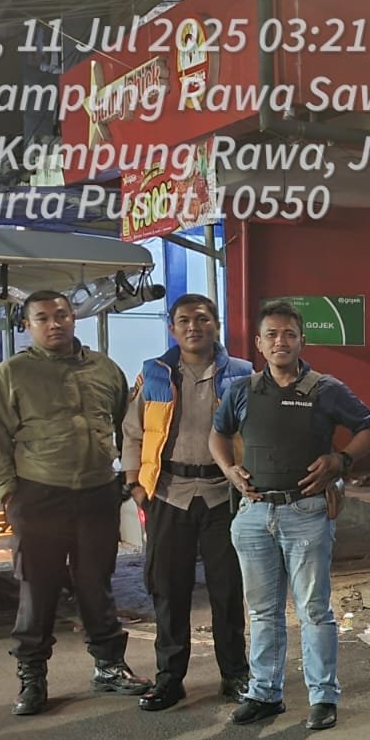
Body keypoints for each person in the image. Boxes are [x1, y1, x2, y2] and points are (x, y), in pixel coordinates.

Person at [0, 289, 151, 715]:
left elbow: (126, 426)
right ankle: (32, 678)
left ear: (74, 318)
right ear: (27, 326)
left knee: (96, 584)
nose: (54, 323)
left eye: (62, 314)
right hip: (39, 496)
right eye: (42, 318)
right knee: (38, 590)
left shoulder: (104, 369)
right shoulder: (12, 374)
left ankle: (109, 667)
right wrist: (8, 496)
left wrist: (126, 478)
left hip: (97, 494)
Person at [209, 300, 370, 731]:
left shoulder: (326, 389)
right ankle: (264, 693)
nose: (280, 341)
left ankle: (323, 696)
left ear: (302, 340)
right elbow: (218, 434)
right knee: (262, 612)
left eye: (289, 334)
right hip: (254, 514)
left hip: (306, 513)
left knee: (314, 610)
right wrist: (230, 470)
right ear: (259, 343)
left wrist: (341, 461)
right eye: (272, 334)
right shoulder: (243, 390)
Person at [122, 294, 254, 711]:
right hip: (168, 493)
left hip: (222, 494)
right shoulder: (154, 373)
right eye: (184, 320)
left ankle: (235, 674)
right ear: (172, 328)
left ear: (216, 325)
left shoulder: (242, 373)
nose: (193, 326)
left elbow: (255, 429)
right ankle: (169, 679)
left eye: (202, 319)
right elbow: (132, 432)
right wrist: (135, 484)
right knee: (168, 589)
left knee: (228, 590)